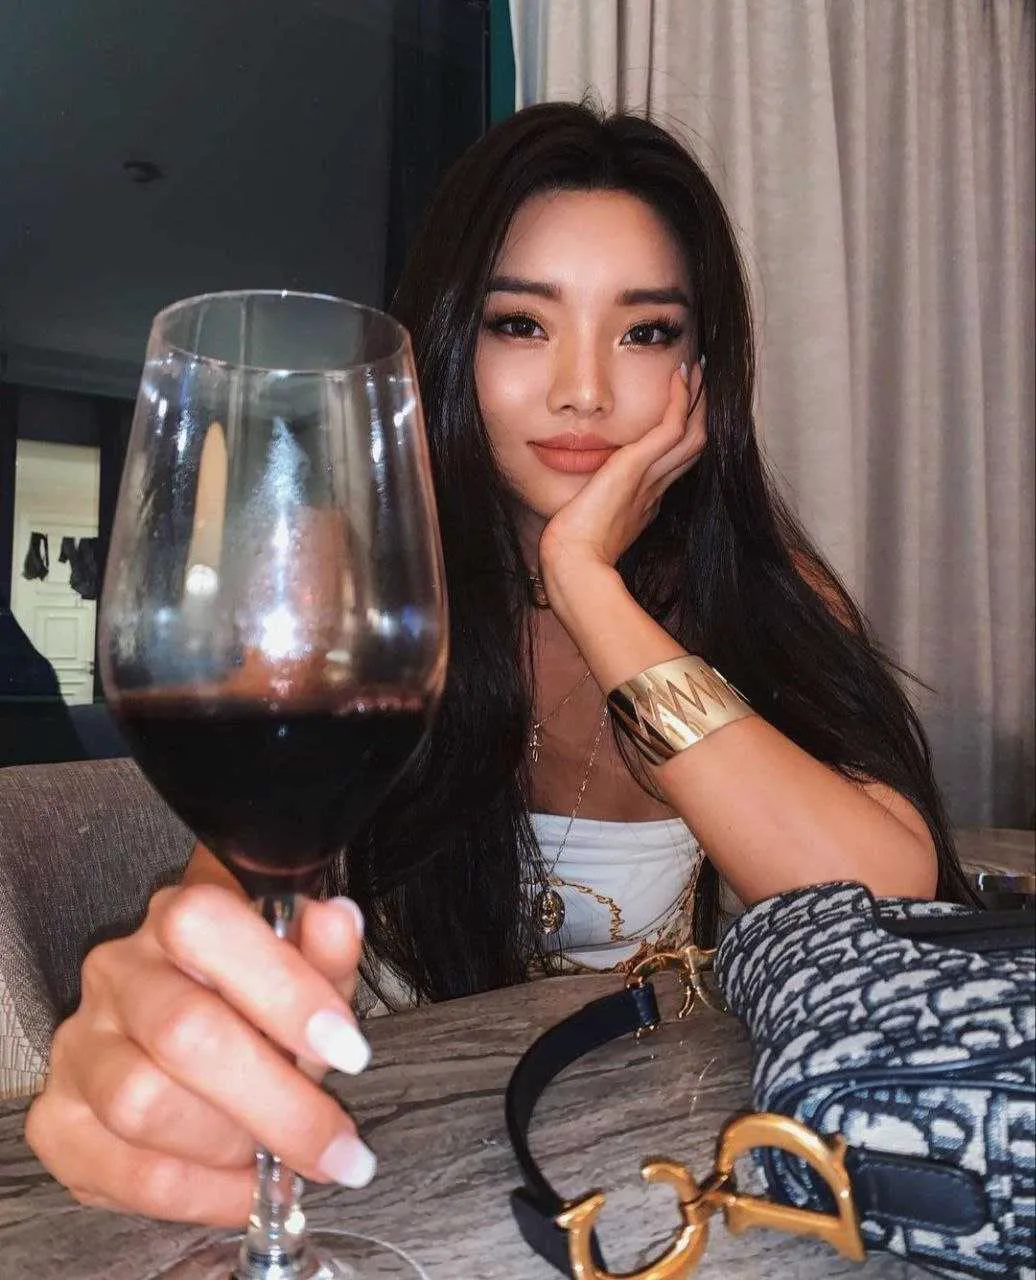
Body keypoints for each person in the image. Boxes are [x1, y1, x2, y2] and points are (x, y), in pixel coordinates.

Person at [25, 101, 973, 1224]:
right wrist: (168, 1046)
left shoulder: (762, 592)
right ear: (446, 341)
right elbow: (239, 901)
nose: (583, 388)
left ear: (702, 371)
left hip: (689, 1177)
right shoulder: (356, 578)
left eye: (645, 332)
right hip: (400, 1170)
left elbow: (879, 898)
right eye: (521, 324)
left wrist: (586, 580)